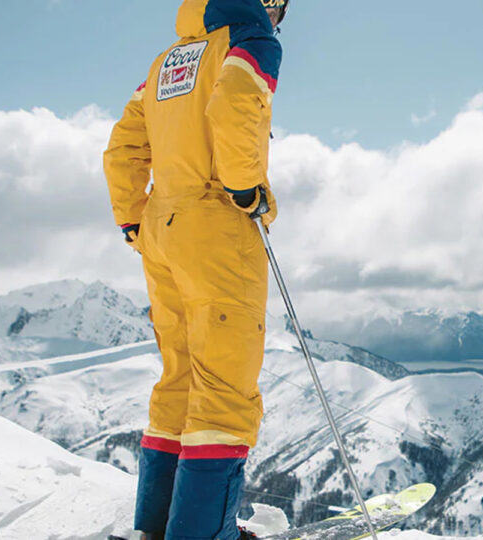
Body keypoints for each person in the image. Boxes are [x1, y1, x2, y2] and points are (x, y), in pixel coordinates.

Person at [103, 0, 288, 538]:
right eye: (279, 8)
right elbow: (235, 101)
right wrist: (243, 186)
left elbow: (122, 149)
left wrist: (133, 220)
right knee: (224, 386)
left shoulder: (166, 63)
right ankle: (203, 533)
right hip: (216, 221)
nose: (278, 20)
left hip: (162, 224)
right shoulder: (250, 38)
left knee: (179, 379)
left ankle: (156, 526)